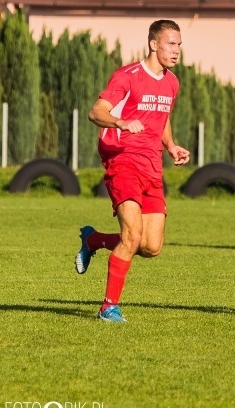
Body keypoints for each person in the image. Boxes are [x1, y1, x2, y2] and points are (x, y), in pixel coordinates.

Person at [73, 19, 191, 323]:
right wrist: (120, 122)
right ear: (153, 44)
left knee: (150, 246)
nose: (176, 50)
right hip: (123, 162)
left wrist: (171, 145)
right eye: (171, 43)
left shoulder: (172, 82)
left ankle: (94, 240)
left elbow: (162, 118)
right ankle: (108, 308)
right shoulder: (127, 76)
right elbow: (96, 111)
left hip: (152, 167)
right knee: (132, 234)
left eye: (179, 44)